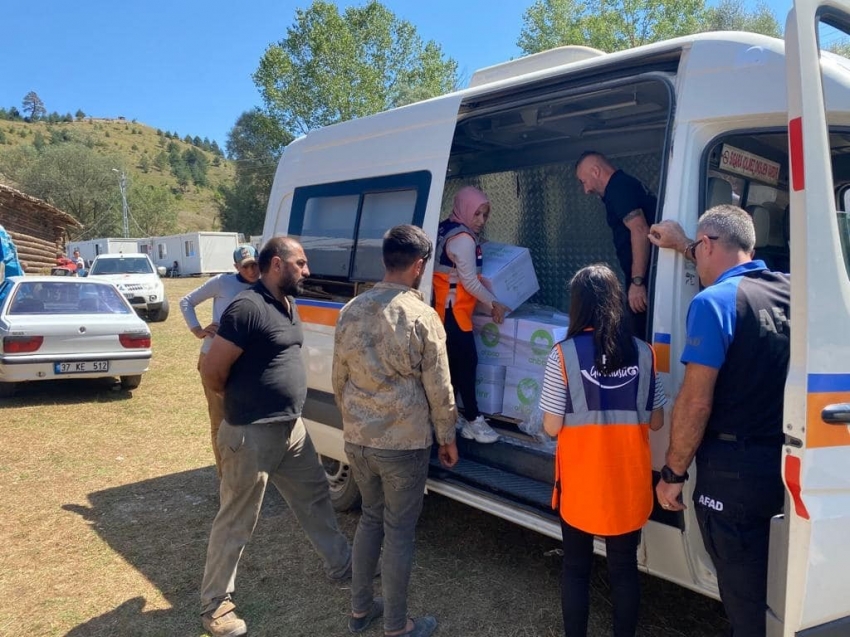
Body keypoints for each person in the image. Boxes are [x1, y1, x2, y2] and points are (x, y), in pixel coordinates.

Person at [198, 237, 351, 637]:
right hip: (251, 432)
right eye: (301, 263)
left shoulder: (287, 304)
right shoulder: (246, 308)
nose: (308, 271)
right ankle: (216, 605)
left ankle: (342, 565)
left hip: (291, 429)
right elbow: (212, 371)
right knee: (237, 517)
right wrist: (241, 405)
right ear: (278, 264)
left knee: (315, 497)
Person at [650, 206, 790, 637]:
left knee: (743, 599)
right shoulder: (792, 292)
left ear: (708, 244)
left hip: (732, 473)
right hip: (783, 460)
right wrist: (684, 245)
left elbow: (695, 403)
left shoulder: (712, 304)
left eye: (698, 247)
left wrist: (672, 472)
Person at [333, 225, 459, 637]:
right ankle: (397, 626)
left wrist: (353, 422)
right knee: (399, 530)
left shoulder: (351, 310)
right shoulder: (421, 315)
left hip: (359, 440)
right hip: (403, 444)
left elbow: (340, 379)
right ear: (419, 265)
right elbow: (439, 388)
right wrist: (447, 436)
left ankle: (360, 610)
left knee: (370, 519)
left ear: (386, 259)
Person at [540, 264, 666, 637]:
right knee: (624, 569)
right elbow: (656, 421)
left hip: (580, 485)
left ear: (577, 306)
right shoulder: (644, 353)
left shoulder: (563, 355)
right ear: (616, 303)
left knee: (576, 568)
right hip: (628, 484)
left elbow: (551, 426)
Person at [432, 186, 511, 444]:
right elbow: (469, 282)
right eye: (476, 214)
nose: (481, 221)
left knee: (453, 368)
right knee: (467, 365)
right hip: (454, 313)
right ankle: (474, 421)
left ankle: (451, 420)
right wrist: (494, 304)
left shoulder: (446, 227)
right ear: (465, 209)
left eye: (485, 215)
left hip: (445, 310)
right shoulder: (463, 239)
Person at [179, 244, 260, 478]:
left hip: (245, 363)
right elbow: (186, 301)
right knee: (220, 421)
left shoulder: (264, 285)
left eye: (255, 264)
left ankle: (246, 472)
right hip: (214, 359)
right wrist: (197, 329)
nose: (252, 270)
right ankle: (225, 478)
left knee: (247, 421)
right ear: (236, 267)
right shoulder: (222, 283)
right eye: (246, 266)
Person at [575, 151, 658, 338]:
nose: (586, 190)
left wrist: (637, 282)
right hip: (648, 276)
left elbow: (640, 230)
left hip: (644, 278)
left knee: (641, 337)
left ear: (595, 171)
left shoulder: (618, 188)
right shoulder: (623, 186)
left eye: (583, 181)